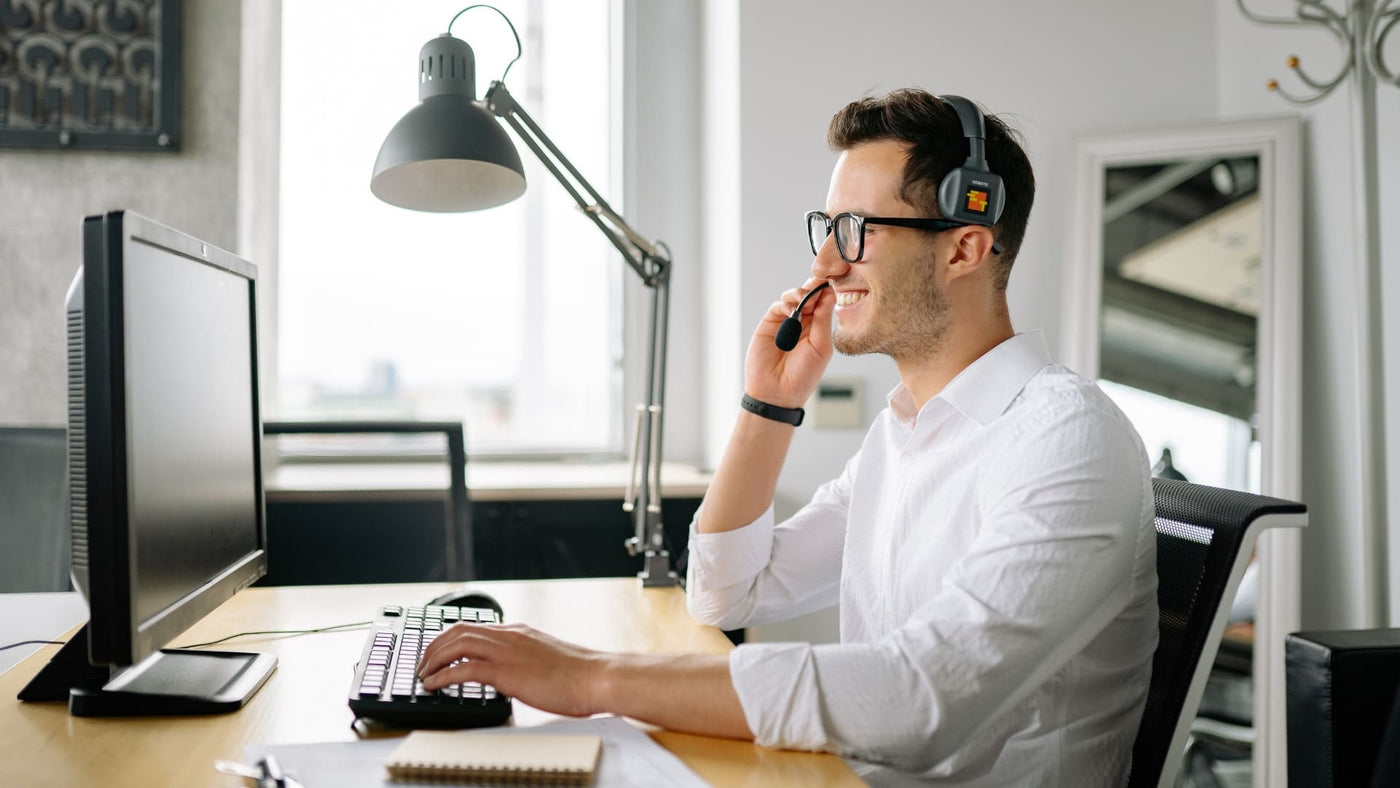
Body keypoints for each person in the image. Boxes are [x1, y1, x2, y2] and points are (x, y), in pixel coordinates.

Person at [418, 88, 1157, 786]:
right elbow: (725, 594)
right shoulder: (905, 434)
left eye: (856, 232)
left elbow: (917, 700)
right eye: (827, 227)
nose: (826, 264)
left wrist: (588, 678)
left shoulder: (1067, 441)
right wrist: (768, 406)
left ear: (963, 249)